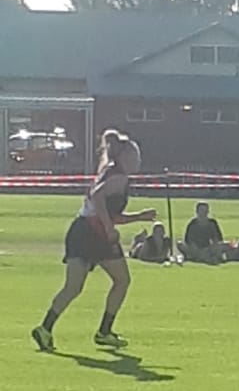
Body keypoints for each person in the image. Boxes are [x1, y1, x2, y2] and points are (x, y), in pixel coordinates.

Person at [32, 130, 154, 353]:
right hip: (93, 234)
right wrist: (109, 229)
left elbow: (106, 212)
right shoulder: (119, 177)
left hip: (82, 230)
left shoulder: (109, 172)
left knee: (75, 287)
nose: (139, 160)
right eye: (136, 156)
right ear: (125, 157)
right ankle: (104, 331)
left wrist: (139, 217)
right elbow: (98, 199)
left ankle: (45, 328)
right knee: (122, 280)